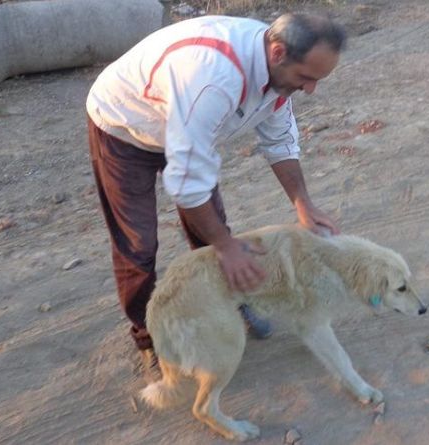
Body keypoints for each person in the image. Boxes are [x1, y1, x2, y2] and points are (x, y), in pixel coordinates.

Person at [86, 12, 345, 370]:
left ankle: (228, 301)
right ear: (278, 53)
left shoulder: (279, 74)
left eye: (317, 79)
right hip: (125, 126)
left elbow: (280, 138)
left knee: (212, 228)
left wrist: (303, 203)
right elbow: (188, 185)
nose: (310, 89)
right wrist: (225, 247)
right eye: (306, 77)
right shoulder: (213, 78)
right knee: (138, 245)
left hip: (187, 120)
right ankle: (153, 338)